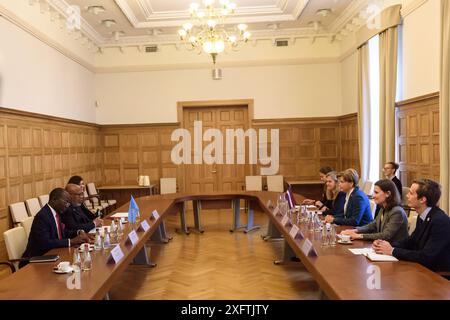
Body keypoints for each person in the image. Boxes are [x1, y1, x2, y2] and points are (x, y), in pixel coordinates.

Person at [373, 179, 450, 273]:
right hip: (421, 268)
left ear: (422, 199)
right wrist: (384, 245)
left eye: (411, 193)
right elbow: (411, 241)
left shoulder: (440, 221)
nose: (406, 195)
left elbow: (426, 256)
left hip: (436, 275)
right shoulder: (422, 215)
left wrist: (392, 251)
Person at [21, 188, 91, 267]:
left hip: (54, 254)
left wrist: (78, 232)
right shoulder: (43, 216)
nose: (68, 205)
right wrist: (71, 241)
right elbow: (45, 243)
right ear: (54, 199)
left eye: (69, 203)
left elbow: (61, 232)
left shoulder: (56, 212)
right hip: (38, 259)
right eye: (66, 202)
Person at [341, 179, 408, 242]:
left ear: (388, 194)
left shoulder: (397, 212)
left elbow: (385, 235)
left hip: (394, 250)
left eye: (376, 192)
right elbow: (373, 225)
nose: (373, 196)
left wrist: (359, 236)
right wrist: (355, 230)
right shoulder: (383, 208)